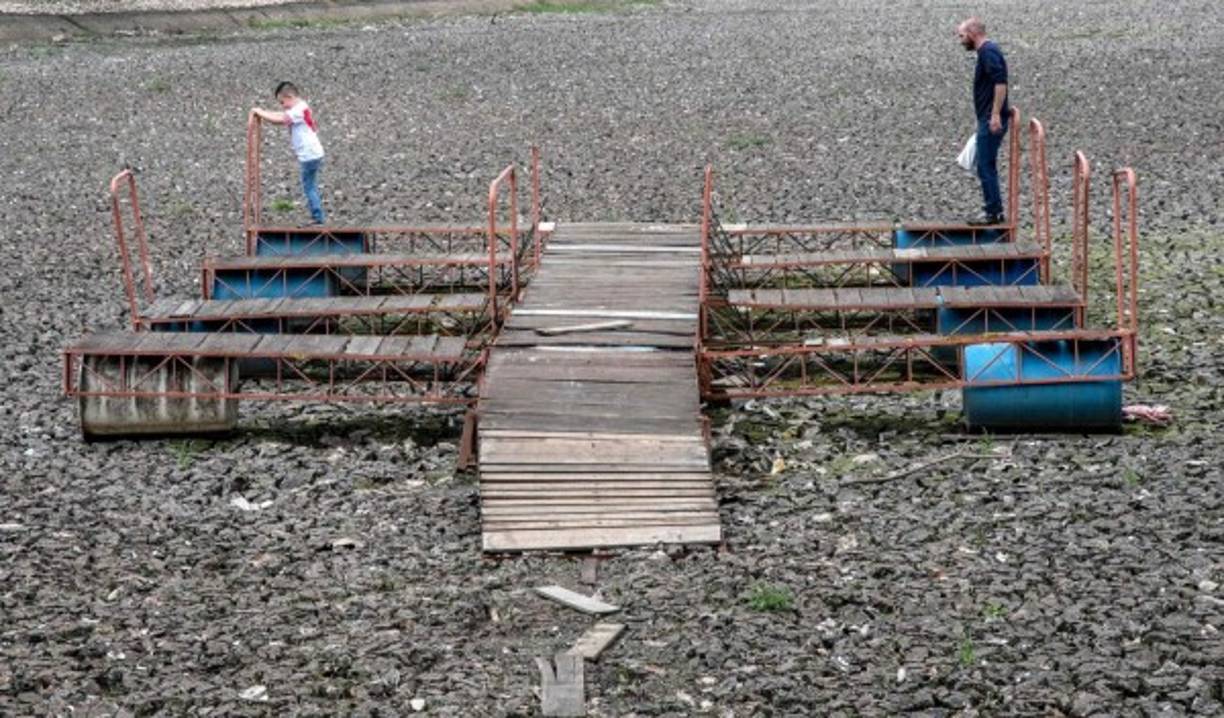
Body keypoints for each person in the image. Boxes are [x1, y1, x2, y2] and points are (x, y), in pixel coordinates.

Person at [957, 17, 1009, 226]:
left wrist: (995, 114)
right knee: (985, 164)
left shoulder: (988, 52)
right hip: (987, 117)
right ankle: (993, 210)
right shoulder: (986, 52)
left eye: (962, 36)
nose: (960, 41)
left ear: (973, 33)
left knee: (986, 165)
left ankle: (993, 212)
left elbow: (1000, 83)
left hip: (991, 118)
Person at [251, 81, 326, 225]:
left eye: (282, 102)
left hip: (309, 154)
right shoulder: (300, 107)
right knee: (309, 185)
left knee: (309, 186)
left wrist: (259, 112)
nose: (282, 106)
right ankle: (317, 216)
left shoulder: (299, 110)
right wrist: (263, 112)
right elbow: (282, 114)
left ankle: (318, 218)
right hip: (312, 153)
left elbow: (280, 119)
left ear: (290, 96)